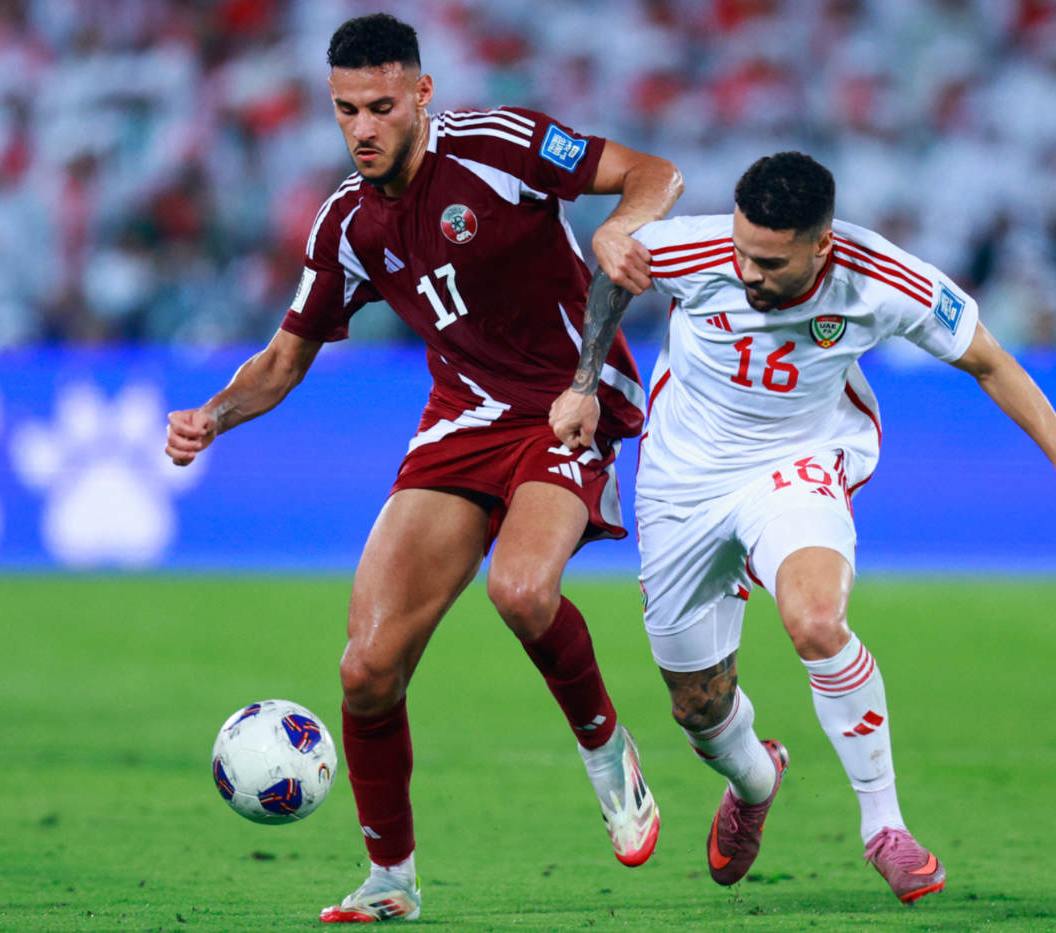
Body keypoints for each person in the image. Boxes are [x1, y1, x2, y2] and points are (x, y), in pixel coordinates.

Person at [165, 14, 682, 924]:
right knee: (366, 669)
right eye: (344, 111)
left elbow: (654, 173)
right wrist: (213, 416)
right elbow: (284, 359)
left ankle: (609, 754)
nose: (362, 128)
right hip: (462, 420)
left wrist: (622, 230)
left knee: (522, 592)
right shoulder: (346, 224)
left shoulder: (498, 144)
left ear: (421, 95)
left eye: (380, 106)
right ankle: (391, 879)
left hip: (571, 394)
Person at [549, 151, 1056, 904]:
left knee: (815, 619)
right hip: (682, 483)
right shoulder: (692, 247)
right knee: (697, 705)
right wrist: (584, 384)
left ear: (823, 245)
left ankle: (885, 827)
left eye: (770, 261)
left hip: (798, 462)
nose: (746, 272)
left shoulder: (882, 280)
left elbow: (991, 360)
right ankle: (755, 779)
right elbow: (611, 271)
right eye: (742, 250)